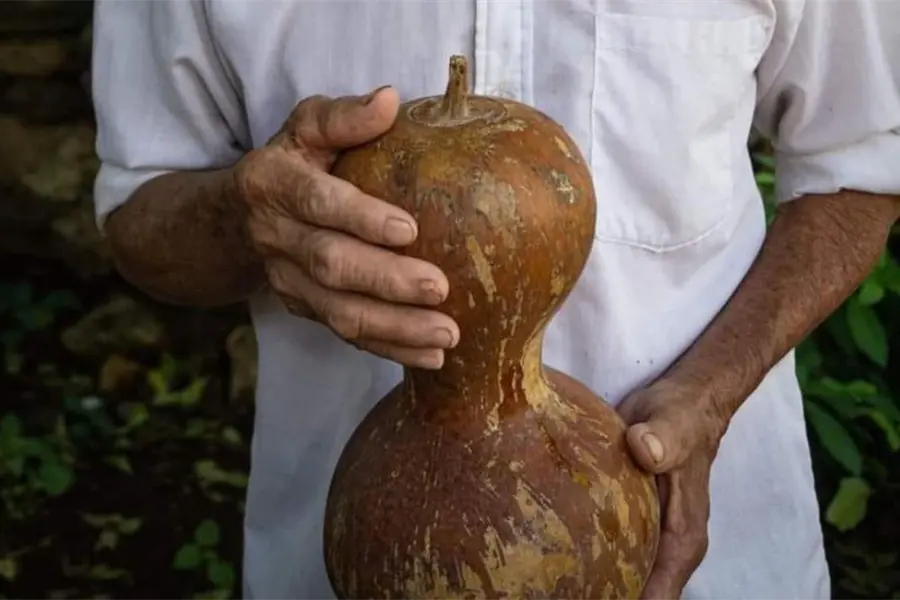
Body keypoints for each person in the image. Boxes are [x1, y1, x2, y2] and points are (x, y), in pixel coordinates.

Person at [90, 1, 900, 598]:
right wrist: (246, 218)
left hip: (712, 563)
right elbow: (139, 213)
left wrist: (711, 395)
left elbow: (858, 165)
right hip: (351, 555)